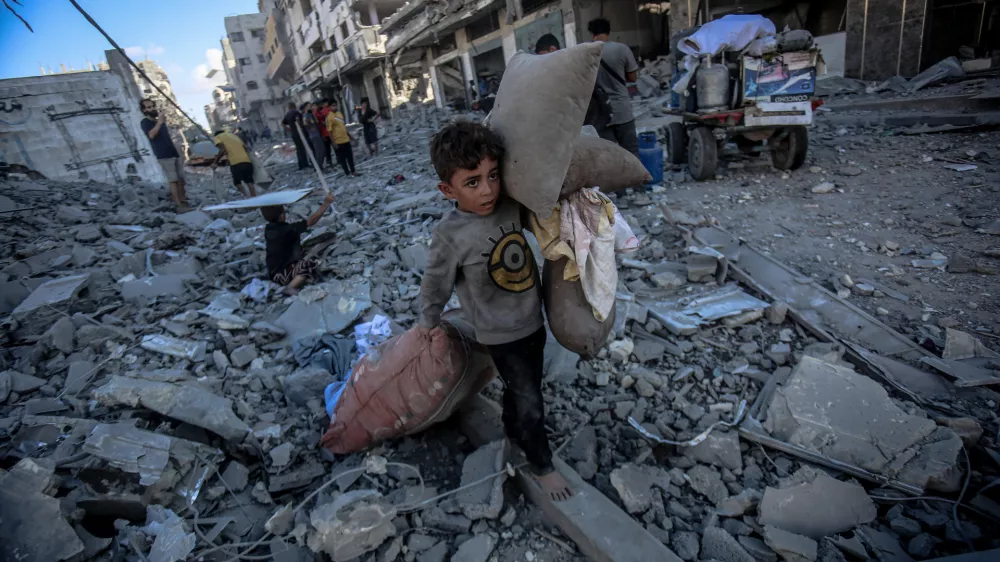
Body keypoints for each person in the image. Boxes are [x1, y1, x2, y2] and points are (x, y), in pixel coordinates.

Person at [419, 121, 572, 502]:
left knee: (524, 387)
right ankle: (542, 464)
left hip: (533, 320)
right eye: (472, 182)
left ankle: (512, 427)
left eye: (492, 176)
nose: (487, 189)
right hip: (499, 334)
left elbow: (545, 215)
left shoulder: (509, 206)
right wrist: (428, 320)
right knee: (530, 398)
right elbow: (435, 281)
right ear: (447, 190)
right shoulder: (450, 234)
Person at [261, 193, 335, 295]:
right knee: (308, 265)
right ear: (282, 215)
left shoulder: (269, 229)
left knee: (304, 254)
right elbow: (311, 221)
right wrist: (326, 204)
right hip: (281, 275)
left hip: (273, 273)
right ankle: (290, 287)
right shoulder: (286, 230)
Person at [588, 18, 639, 156]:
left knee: (609, 158)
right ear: (609, 32)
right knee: (631, 154)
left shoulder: (588, 53)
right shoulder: (622, 49)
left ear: (592, 34)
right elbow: (633, 77)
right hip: (623, 111)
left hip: (601, 114)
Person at [139, 98, 188, 209]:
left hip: (173, 152)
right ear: (144, 110)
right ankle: (178, 205)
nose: (152, 109)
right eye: (149, 107)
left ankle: (183, 201)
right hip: (163, 155)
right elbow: (151, 135)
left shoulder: (159, 122)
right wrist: (160, 122)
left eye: (153, 106)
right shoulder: (145, 122)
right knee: (173, 180)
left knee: (181, 179)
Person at [211, 129, 257, 197]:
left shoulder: (218, 137)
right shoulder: (234, 136)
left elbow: (222, 150)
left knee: (237, 182)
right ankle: (254, 198)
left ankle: (246, 197)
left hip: (236, 162)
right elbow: (245, 148)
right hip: (247, 161)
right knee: (249, 181)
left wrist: (215, 163)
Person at [325, 100, 357, 177]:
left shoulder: (339, 114)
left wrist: (350, 136)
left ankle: (353, 172)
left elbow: (343, 127)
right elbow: (329, 131)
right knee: (343, 159)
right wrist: (334, 143)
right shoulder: (329, 117)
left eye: (335, 105)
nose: (335, 107)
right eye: (333, 105)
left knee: (350, 157)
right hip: (338, 141)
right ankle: (347, 173)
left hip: (345, 139)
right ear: (329, 107)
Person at [282, 102, 308, 170]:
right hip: (299, 133)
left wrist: (288, 129)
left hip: (293, 133)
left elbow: (282, 124)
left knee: (298, 149)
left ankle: (301, 165)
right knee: (302, 149)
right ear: (294, 106)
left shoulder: (287, 114)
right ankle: (305, 164)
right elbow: (298, 120)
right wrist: (300, 127)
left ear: (289, 107)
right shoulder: (296, 112)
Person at [301, 102, 328, 169]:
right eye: (308, 106)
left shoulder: (311, 114)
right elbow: (305, 124)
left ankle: (320, 165)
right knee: (319, 151)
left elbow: (317, 121)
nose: (310, 107)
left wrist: (313, 114)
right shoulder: (305, 115)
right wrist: (310, 127)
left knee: (322, 150)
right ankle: (319, 167)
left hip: (318, 134)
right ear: (305, 108)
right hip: (314, 136)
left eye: (310, 106)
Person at [315, 100, 333, 167]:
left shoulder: (326, 110)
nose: (321, 105)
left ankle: (339, 159)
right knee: (327, 149)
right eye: (319, 104)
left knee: (334, 146)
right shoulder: (316, 113)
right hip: (323, 133)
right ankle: (329, 162)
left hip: (329, 131)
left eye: (321, 104)